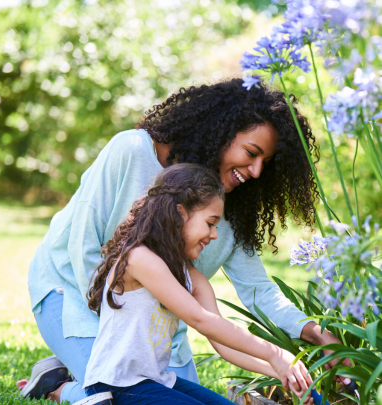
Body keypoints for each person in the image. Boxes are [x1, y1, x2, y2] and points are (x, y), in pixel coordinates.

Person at [22, 79, 350, 403]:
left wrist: (316, 333)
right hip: (72, 294)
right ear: (221, 131)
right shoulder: (133, 150)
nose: (256, 171)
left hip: (155, 328)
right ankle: (61, 387)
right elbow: (83, 247)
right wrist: (116, 335)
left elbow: (258, 292)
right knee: (110, 394)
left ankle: (72, 376)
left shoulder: (226, 211)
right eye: (251, 153)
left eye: (266, 162)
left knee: (168, 393)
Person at [80, 163, 313, 405]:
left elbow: (223, 343)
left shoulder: (190, 276)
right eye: (210, 223)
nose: (214, 234)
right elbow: (201, 319)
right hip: (116, 386)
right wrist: (274, 353)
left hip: (156, 381)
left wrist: (282, 371)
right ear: (180, 213)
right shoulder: (139, 259)